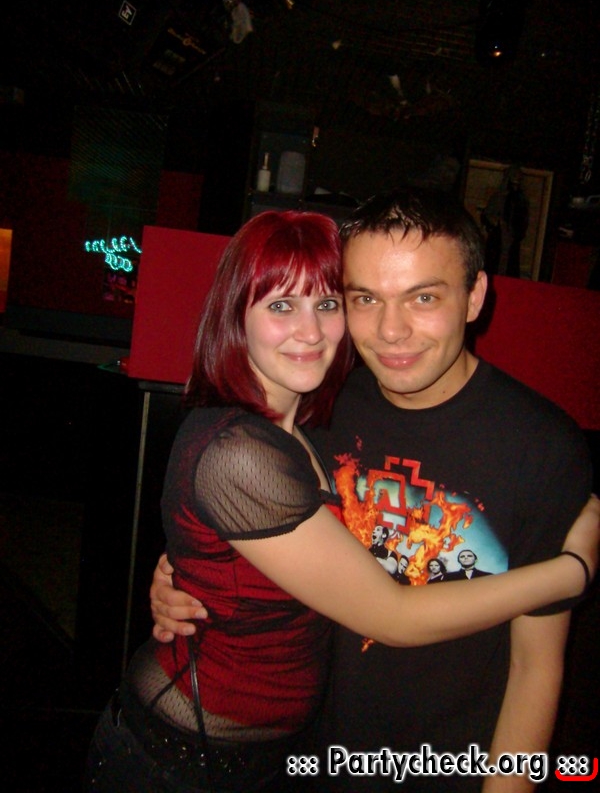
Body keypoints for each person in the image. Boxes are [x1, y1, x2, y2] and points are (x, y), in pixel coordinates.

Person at [150, 189, 598, 793]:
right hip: (309, 761)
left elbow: (535, 667)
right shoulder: (324, 409)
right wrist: (184, 573)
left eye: (423, 297)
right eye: (364, 299)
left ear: (474, 297)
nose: (391, 331)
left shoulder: (542, 447)